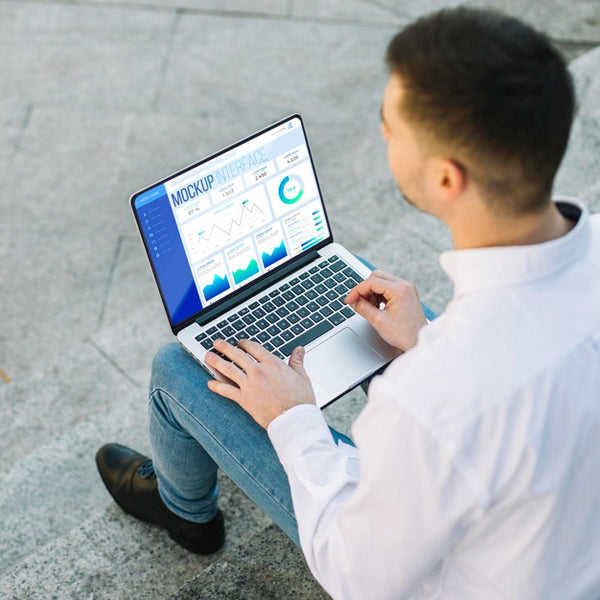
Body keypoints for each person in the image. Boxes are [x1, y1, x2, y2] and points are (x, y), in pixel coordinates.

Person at [96, 7, 600, 599]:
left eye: (392, 125)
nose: (383, 133)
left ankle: (187, 514)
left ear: (445, 179)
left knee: (177, 368)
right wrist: (426, 342)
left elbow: (355, 574)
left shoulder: (431, 403)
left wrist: (293, 419)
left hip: (448, 576)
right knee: (391, 333)